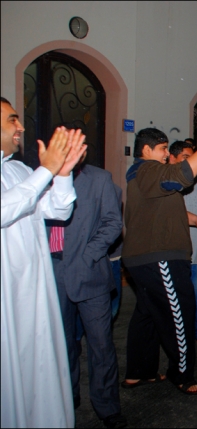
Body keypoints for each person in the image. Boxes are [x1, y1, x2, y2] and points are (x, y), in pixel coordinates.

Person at [121, 126, 197, 395]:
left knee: (147, 313)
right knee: (180, 313)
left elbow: (161, 210)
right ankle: (181, 373)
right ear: (146, 150)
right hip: (160, 257)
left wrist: (193, 219)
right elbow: (181, 175)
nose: (165, 155)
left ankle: (140, 371)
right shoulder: (147, 169)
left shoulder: (143, 176)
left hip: (143, 258)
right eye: (162, 149)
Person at [1, 96, 87, 428]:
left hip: (34, 292)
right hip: (7, 297)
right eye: (12, 119)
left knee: (38, 372)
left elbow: (59, 210)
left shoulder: (20, 170)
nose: (21, 127)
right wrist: (47, 170)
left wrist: (62, 174)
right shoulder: (33, 173)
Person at [47, 149, 126, 428]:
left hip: (90, 272)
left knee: (101, 344)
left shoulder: (100, 179)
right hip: (52, 272)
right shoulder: (42, 177)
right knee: (62, 344)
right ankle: (67, 397)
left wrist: (89, 255)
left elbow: (113, 222)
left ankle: (107, 406)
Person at [168, 141, 197, 353]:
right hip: (176, 251)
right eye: (186, 157)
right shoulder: (168, 182)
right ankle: (180, 336)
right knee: (177, 300)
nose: (191, 162)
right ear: (173, 159)